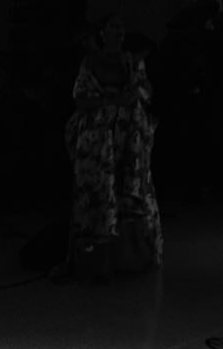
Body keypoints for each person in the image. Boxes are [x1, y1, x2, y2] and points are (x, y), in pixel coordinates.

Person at [58, 15, 162, 280]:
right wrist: (111, 100)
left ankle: (129, 257)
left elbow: (145, 93)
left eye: (121, 27)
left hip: (127, 137)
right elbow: (81, 97)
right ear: (102, 32)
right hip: (99, 137)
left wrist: (133, 92)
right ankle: (95, 259)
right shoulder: (91, 62)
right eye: (112, 27)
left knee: (127, 193)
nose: (117, 32)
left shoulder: (131, 62)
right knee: (99, 191)